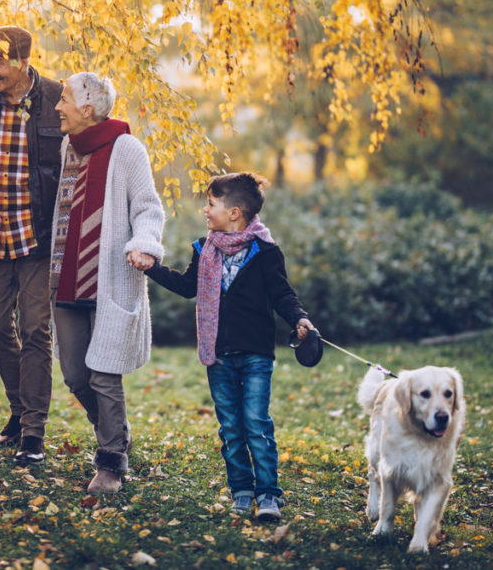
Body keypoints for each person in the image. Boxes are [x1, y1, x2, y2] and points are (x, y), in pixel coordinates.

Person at [145, 172, 316, 522]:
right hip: (218, 354)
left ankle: (268, 494)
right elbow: (186, 287)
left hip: (255, 354)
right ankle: (241, 489)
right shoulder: (204, 249)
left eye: (211, 204)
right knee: (231, 428)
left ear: (234, 212)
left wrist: (300, 318)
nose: (205, 211)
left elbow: (282, 294)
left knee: (256, 423)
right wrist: (153, 268)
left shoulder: (266, 252)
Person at [49, 72, 165, 494]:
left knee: (103, 374)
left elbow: (149, 208)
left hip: (110, 278)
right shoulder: (69, 147)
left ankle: (112, 462)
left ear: (87, 107)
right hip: (65, 279)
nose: (58, 106)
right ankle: (115, 430)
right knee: (75, 374)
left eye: (64, 100)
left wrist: (146, 244)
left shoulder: (127, 148)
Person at [0, 26, 64, 464]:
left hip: (39, 237)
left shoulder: (57, 98)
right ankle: (20, 410)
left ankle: (33, 432)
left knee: (35, 329)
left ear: (23, 62)